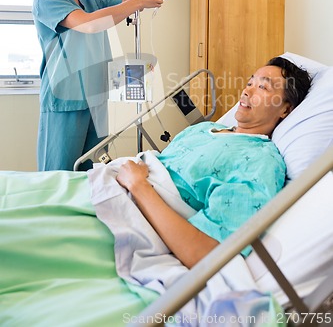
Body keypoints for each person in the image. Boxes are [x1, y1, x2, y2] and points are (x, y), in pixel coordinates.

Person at [116, 57, 312, 269]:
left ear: (285, 110)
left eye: (263, 87)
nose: (247, 92)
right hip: (118, 185)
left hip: (131, 211)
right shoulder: (204, 128)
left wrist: (139, 186)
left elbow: (206, 253)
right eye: (250, 83)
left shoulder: (260, 161)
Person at [32, 0, 167, 172]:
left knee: (90, 171)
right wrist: (138, 2)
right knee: (60, 172)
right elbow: (89, 24)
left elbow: (136, 4)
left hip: (96, 98)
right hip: (65, 100)